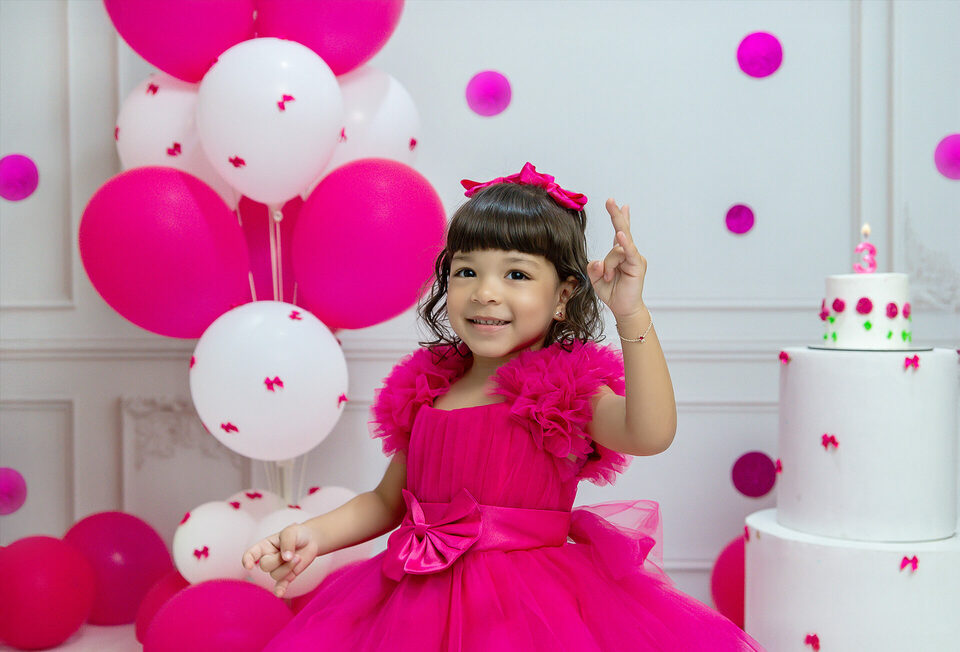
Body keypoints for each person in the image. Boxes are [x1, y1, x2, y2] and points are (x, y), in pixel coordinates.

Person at [243, 162, 765, 651]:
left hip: (527, 613)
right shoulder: (428, 389)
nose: (485, 293)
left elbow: (650, 433)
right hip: (413, 606)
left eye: (516, 275)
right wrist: (313, 534)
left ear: (564, 295)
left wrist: (630, 313)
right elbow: (386, 502)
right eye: (466, 272)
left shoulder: (564, 390)